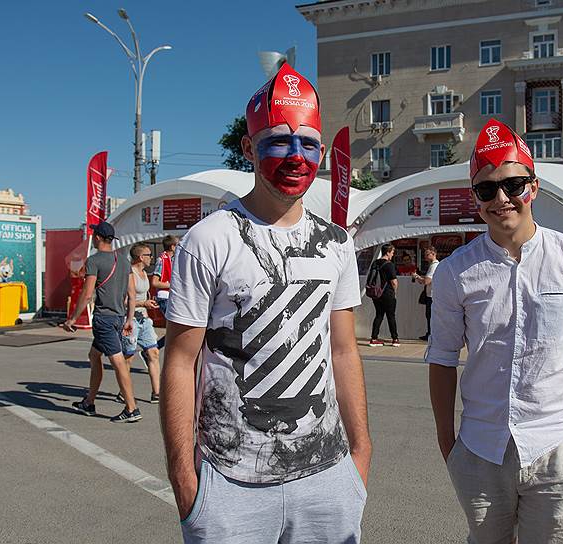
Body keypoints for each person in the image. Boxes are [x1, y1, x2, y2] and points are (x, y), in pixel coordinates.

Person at [160, 63, 371, 543]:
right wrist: (185, 478)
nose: (297, 156)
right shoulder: (208, 239)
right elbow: (180, 360)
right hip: (229, 483)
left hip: (328, 476)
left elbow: (343, 351)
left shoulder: (336, 243)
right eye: (279, 141)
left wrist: (360, 453)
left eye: (309, 143)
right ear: (248, 148)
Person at [426, 118, 563, 544]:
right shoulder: (456, 272)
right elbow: (441, 358)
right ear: (476, 199)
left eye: (513, 184)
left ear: (534, 186)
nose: (501, 199)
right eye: (487, 189)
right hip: (479, 449)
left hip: (556, 446)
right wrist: (448, 445)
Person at [64, 221, 142, 423]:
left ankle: (131, 408)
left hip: (104, 319)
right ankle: (89, 402)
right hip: (118, 317)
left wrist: (72, 318)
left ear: (97, 237)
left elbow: (88, 293)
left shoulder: (94, 260)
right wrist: (129, 319)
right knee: (94, 354)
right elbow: (131, 294)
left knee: (117, 362)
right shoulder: (124, 261)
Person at [118, 243, 161, 404]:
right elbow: (123, 301)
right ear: (140, 257)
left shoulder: (144, 273)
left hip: (144, 319)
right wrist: (143, 304)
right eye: (149, 255)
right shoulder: (130, 274)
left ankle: (156, 392)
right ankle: (124, 391)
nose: (152, 258)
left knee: (154, 353)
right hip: (131, 319)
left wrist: (147, 304)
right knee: (128, 357)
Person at [368, 244, 399, 347]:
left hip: (376, 294)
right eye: (392, 252)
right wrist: (395, 292)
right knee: (391, 316)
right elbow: (394, 282)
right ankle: (395, 339)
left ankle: (374, 338)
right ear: (388, 252)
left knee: (379, 315)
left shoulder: (375, 263)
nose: (393, 255)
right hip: (388, 293)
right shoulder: (389, 265)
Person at [151, 235, 178, 349]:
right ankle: (153, 349)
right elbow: (155, 282)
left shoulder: (173, 260)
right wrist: (173, 285)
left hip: (171, 297)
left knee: (176, 329)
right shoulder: (162, 260)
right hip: (164, 297)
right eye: (178, 245)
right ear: (172, 247)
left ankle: (153, 350)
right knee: (175, 329)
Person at [412, 245, 439, 341]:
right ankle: (430, 333)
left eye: (427, 254)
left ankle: (431, 335)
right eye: (425, 254)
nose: (425, 257)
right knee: (429, 316)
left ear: (434, 254)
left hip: (432, 295)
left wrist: (416, 277)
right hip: (431, 294)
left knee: (430, 316)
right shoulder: (433, 266)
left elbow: (427, 281)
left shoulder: (434, 266)